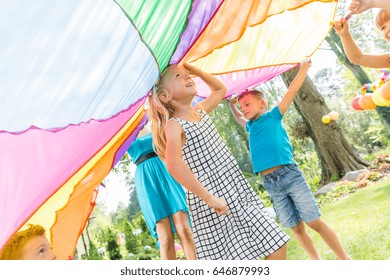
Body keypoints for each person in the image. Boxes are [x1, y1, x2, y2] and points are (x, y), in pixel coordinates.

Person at [148, 63, 289, 260]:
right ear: (165, 96)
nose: (187, 77)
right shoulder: (174, 126)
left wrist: (195, 70)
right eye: (179, 76)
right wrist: (209, 198)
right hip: (211, 199)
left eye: (187, 74)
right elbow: (173, 164)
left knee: (274, 242)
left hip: (235, 189)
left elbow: (219, 89)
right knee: (235, 258)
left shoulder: (201, 110)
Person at [229, 59, 351, 260]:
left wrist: (303, 69)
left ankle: (344, 259)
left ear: (262, 103)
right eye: (242, 106)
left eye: (247, 104)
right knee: (296, 228)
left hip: (290, 175)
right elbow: (239, 119)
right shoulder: (251, 126)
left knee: (313, 222)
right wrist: (231, 105)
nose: (244, 109)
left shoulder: (273, 116)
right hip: (271, 184)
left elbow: (291, 91)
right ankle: (316, 262)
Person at [127, 123, 196, 260]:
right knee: (165, 239)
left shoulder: (156, 124)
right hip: (146, 180)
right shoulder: (124, 132)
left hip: (166, 171)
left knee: (185, 230)